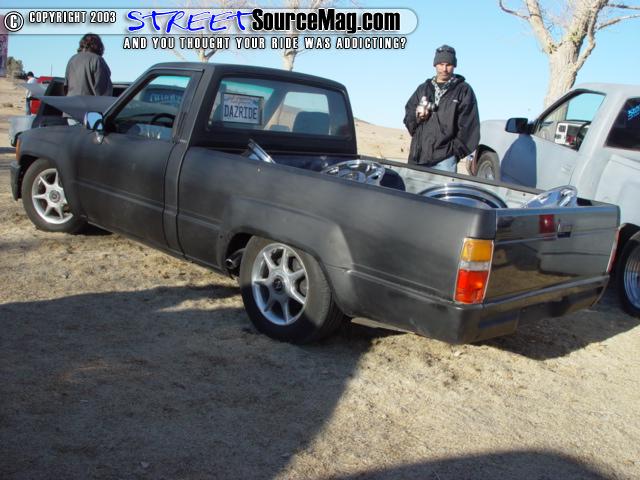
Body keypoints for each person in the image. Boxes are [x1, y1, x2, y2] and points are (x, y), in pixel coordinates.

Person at [403, 45, 480, 173]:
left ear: (454, 66)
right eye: (441, 64)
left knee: (444, 187)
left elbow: (469, 127)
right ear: (435, 65)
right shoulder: (423, 88)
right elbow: (408, 116)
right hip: (418, 157)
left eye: (448, 65)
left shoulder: (463, 90)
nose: (444, 69)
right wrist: (418, 117)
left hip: (445, 160)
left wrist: (454, 153)